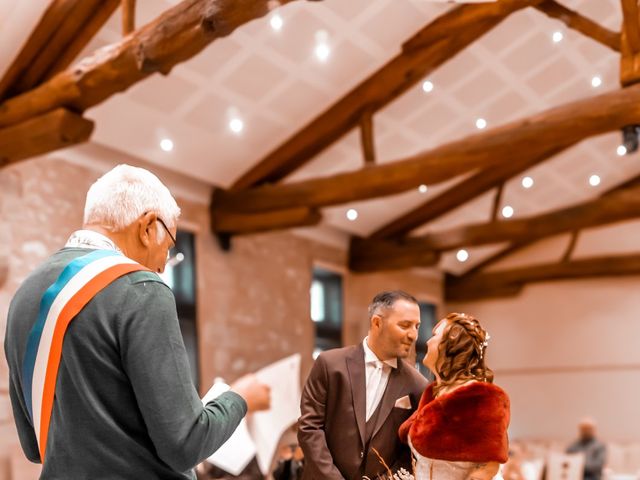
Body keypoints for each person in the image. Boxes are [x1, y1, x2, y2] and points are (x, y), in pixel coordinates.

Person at [4, 164, 270, 479]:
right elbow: (185, 443)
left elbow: (33, 445)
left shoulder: (24, 296)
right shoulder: (140, 288)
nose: (161, 266)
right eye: (169, 246)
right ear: (147, 227)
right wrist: (239, 398)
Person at [298, 290, 427, 480]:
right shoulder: (330, 364)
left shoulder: (417, 385)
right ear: (377, 322)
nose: (413, 335)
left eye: (417, 326)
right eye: (405, 325)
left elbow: (409, 450)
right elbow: (310, 428)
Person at [399, 312, 510, 480]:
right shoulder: (432, 394)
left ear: (452, 345)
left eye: (435, 336)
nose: (427, 342)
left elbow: (488, 468)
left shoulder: (481, 398)